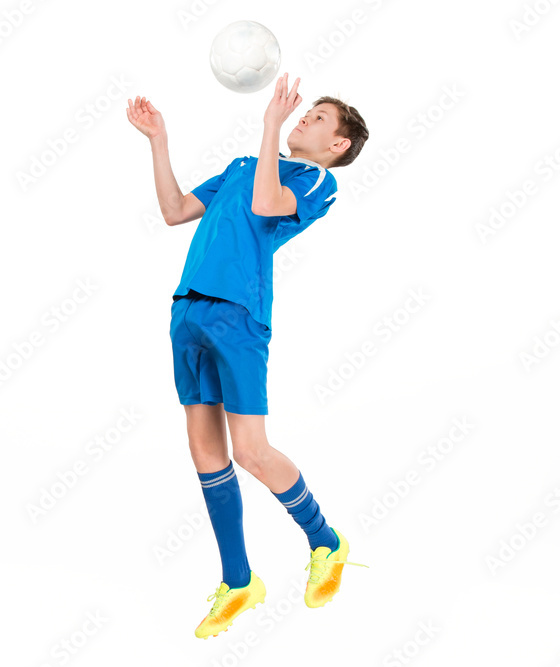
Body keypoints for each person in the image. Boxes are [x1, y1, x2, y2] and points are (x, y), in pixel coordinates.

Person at [127, 73, 371, 639]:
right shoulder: (242, 166)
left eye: (316, 119)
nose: (301, 119)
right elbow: (174, 210)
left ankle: (325, 540)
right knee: (205, 453)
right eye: (302, 114)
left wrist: (270, 125)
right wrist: (158, 141)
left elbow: (266, 204)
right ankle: (239, 581)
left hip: (239, 315)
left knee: (253, 452)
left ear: (337, 145)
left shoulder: (315, 182)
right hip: (188, 308)